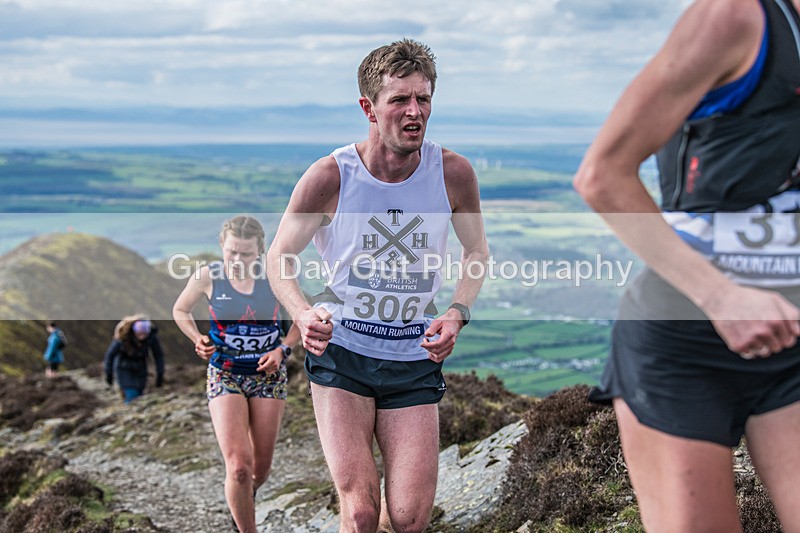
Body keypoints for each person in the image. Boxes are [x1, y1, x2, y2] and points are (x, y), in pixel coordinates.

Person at [574, 0, 800, 530]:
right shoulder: (737, 17)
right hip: (685, 345)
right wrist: (723, 297)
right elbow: (601, 175)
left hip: (790, 336)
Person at [266, 39, 489, 533]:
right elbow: (278, 257)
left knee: (408, 519)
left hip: (414, 356)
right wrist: (303, 312)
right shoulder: (330, 176)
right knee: (362, 512)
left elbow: (476, 252)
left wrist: (457, 312)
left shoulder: (452, 173)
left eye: (424, 99)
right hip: (342, 351)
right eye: (400, 100)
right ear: (368, 107)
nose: (415, 112)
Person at [172, 215, 299, 533]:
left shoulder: (274, 276)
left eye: (246, 253)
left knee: (259, 470)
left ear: (260, 251)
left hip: (268, 377)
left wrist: (281, 350)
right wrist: (197, 338)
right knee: (239, 467)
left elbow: (301, 317)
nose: (238, 259)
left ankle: (246, 495)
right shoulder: (208, 276)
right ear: (221, 247)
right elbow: (180, 309)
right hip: (224, 373)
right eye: (231, 252)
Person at [104, 316, 165, 403]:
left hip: (141, 369)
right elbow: (110, 355)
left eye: (144, 333)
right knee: (132, 395)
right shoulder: (123, 337)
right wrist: (109, 374)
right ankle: (129, 410)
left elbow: (158, 355)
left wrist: (160, 373)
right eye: (139, 333)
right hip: (124, 369)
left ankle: (133, 412)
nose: (142, 336)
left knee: (140, 396)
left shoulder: (151, 338)